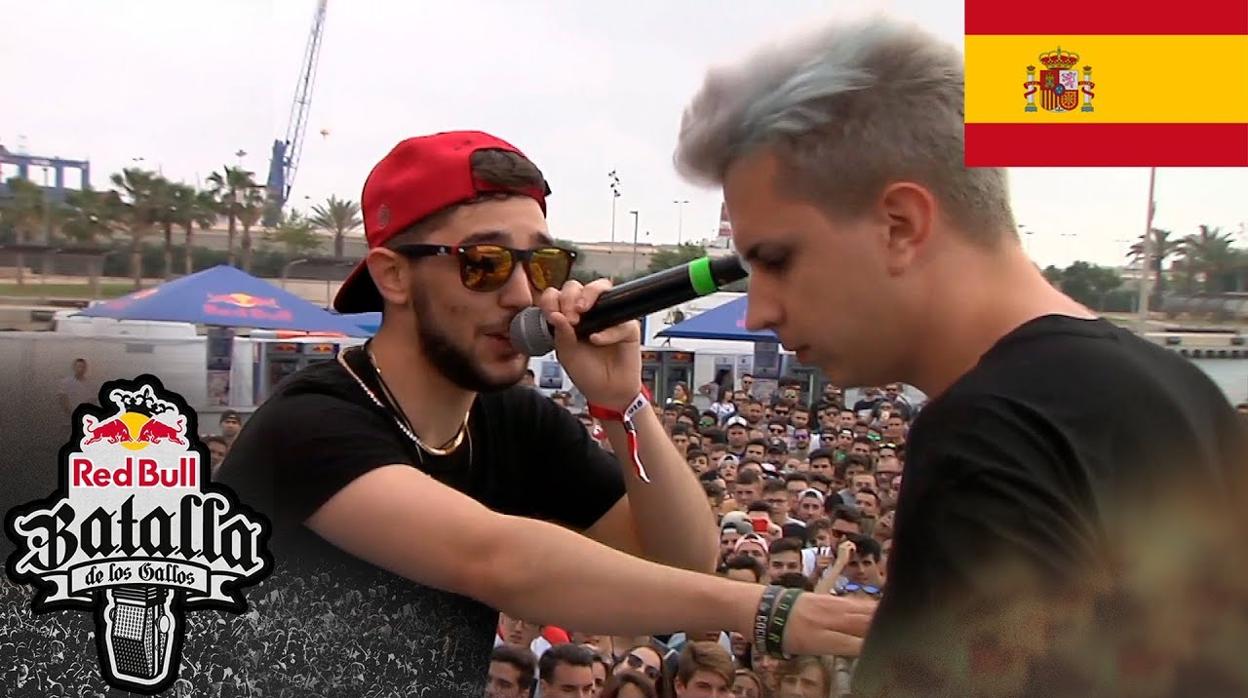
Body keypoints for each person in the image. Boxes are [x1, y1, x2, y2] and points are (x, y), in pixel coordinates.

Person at [674, 16, 1247, 698]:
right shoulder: (1183, 390)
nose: (758, 312)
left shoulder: (989, 434)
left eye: (776, 260)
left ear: (900, 225)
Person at [214, 130, 870, 695]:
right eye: (486, 264)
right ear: (393, 276)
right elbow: (497, 560)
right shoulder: (312, 424)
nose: (523, 293)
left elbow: (681, 559)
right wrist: (764, 609)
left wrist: (621, 401)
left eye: (543, 264)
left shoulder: (514, 421)